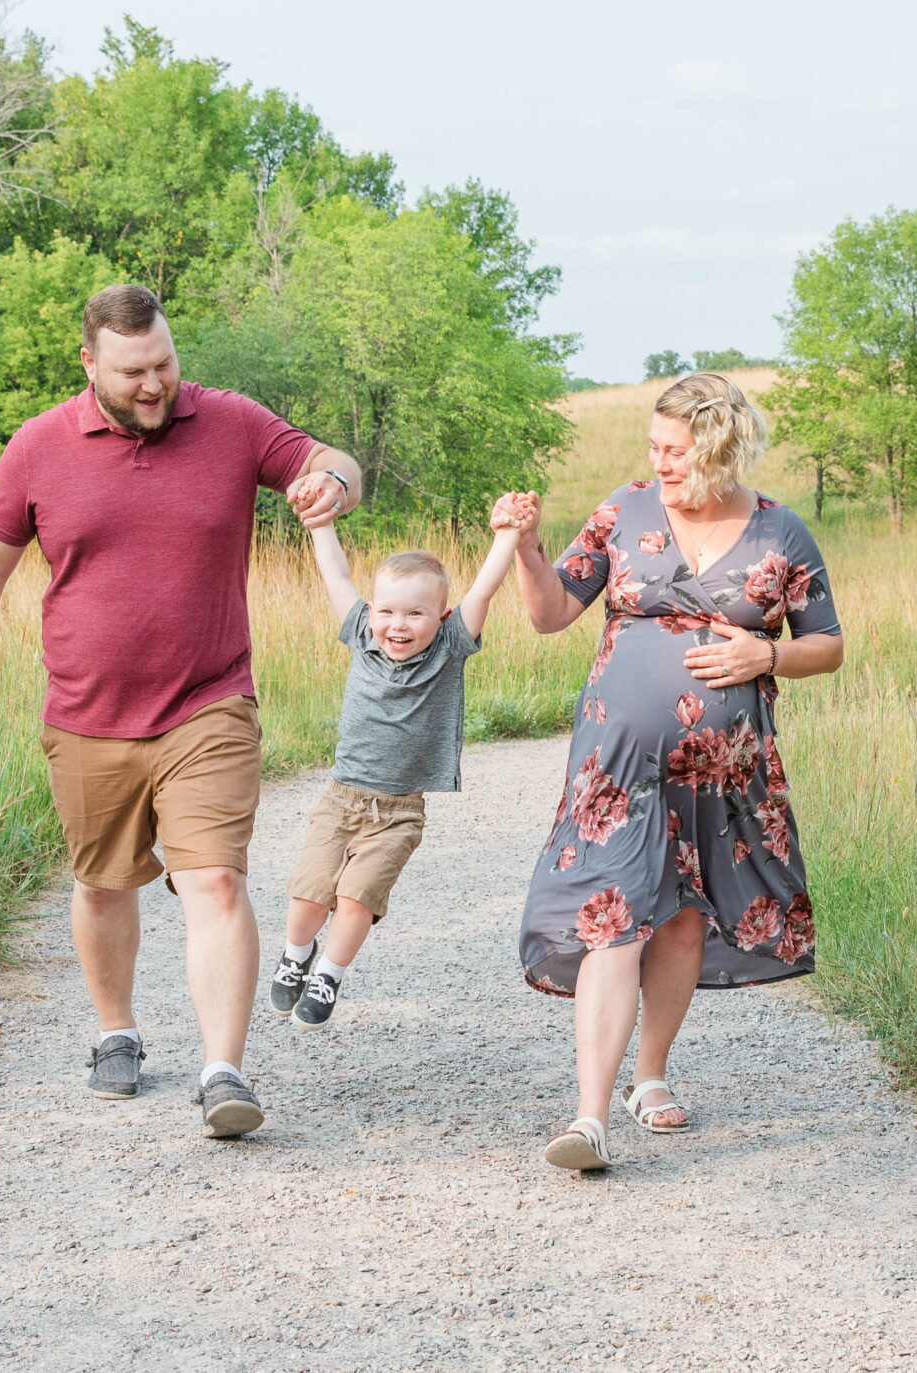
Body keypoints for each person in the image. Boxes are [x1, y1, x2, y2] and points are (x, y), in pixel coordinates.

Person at [0, 283, 361, 1137]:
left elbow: (330, 459)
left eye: (164, 362)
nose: (156, 384)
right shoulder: (38, 446)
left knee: (213, 877)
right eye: (134, 372)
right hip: (87, 712)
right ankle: (115, 1030)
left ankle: (223, 1071)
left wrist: (332, 486)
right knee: (101, 881)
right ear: (90, 364)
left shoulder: (230, 421)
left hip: (210, 701)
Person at [501, 372, 846, 1171]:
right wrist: (524, 548)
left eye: (676, 451)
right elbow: (552, 612)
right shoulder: (623, 511)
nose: (658, 462)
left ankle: (647, 1073)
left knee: (686, 916)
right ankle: (589, 1118)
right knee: (612, 916)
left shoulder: (779, 533)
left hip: (721, 774)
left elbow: (828, 642)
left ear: (719, 452)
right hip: (617, 763)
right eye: (653, 447)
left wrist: (767, 651)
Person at [269, 497, 529, 1029]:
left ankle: (329, 974)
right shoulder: (361, 634)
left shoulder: (451, 647)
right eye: (387, 610)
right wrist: (320, 525)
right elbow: (335, 574)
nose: (398, 624)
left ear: (442, 616)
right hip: (341, 797)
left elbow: (483, 590)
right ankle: (297, 955)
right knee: (310, 892)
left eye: (415, 613)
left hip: (399, 811)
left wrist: (507, 534)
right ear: (373, 611)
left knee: (356, 897)